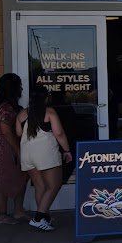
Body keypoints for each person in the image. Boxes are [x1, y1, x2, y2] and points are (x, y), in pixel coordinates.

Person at [17, 84, 71, 232]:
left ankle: (45, 218)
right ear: (46, 98)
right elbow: (59, 134)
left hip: (27, 154)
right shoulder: (50, 112)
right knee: (54, 185)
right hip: (45, 154)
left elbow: (17, 132)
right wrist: (67, 150)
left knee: (40, 186)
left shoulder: (22, 114)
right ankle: (38, 218)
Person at [0, 72, 29, 225]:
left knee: (21, 176)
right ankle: (2, 215)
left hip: (8, 146)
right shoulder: (5, 108)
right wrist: (18, 150)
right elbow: (6, 131)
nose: (22, 89)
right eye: (19, 86)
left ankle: (18, 211)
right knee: (2, 180)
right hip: (5, 149)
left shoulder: (10, 106)